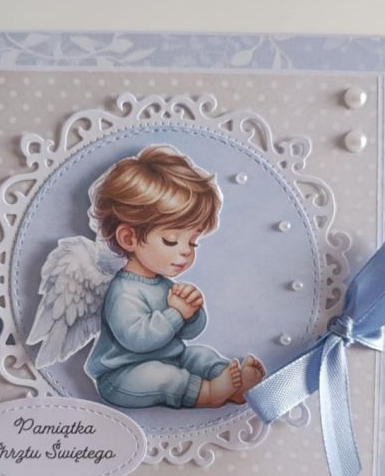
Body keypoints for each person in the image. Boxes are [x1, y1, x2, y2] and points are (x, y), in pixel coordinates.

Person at [84, 145, 265, 409]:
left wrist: (192, 312)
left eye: (192, 242)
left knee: (199, 355)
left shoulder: (165, 285)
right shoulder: (123, 291)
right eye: (171, 240)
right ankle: (209, 393)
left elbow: (190, 333)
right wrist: (177, 313)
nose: (185, 252)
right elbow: (137, 339)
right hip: (123, 375)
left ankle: (233, 385)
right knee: (159, 376)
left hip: (171, 358)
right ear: (129, 238)